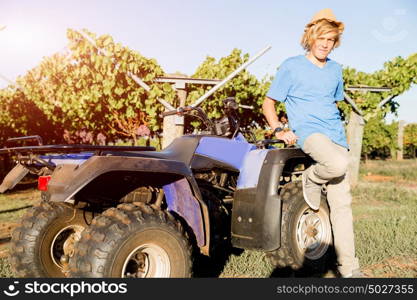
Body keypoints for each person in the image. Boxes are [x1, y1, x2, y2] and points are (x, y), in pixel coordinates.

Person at [262, 8, 363, 278]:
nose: (325, 44)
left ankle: (350, 270)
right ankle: (312, 177)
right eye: (321, 38)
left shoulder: (335, 70)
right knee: (339, 163)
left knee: (342, 207)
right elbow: (268, 103)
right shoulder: (292, 65)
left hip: (335, 134)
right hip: (309, 132)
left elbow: (331, 101)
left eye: (331, 40)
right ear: (310, 37)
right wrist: (280, 129)